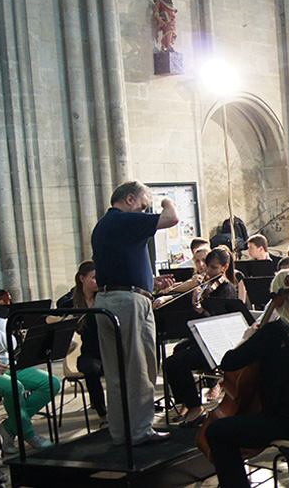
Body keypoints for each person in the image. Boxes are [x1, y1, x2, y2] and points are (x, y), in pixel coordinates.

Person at [204, 269, 289, 488]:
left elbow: (229, 362)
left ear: (277, 300)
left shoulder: (274, 332)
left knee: (217, 431)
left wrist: (246, 338)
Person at [92, 180, 177, 446]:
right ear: (129, 199)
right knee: (140, 368)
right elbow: (172, 217)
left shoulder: (103, 225)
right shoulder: (125, 220)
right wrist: (163, 201)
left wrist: (149, 281)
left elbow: (119, 265)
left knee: (116, 372)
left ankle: (120, 433)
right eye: (142, 205)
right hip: (129, 305)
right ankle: (140, 431)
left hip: (107, 300)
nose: (144, 211)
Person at [0, 272, 59, 453]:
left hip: (8, 365)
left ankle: (10, 427)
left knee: (51, 383)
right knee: (14, 387)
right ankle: (29, 435)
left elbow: (11, 344)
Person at [164, 246, 240, 427]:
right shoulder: (206, 286)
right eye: (207, 266)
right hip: (202, 341)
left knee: (175, 363)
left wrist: (200, 309)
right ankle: (188, 404)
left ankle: (196, 407)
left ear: (224, 267)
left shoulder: (227, 289)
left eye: (214, 267)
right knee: (175, 355)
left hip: (218, 344)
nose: (209, 271)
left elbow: (215, 323)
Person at [67, 261, 107, 426]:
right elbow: (51, 315)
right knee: (91, 369)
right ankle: (103, 414)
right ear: (82, 278)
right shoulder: (73, 301)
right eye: (93, 278)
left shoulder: (105, 298)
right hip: (89, 354)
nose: (97, 281)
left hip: (108, 350)